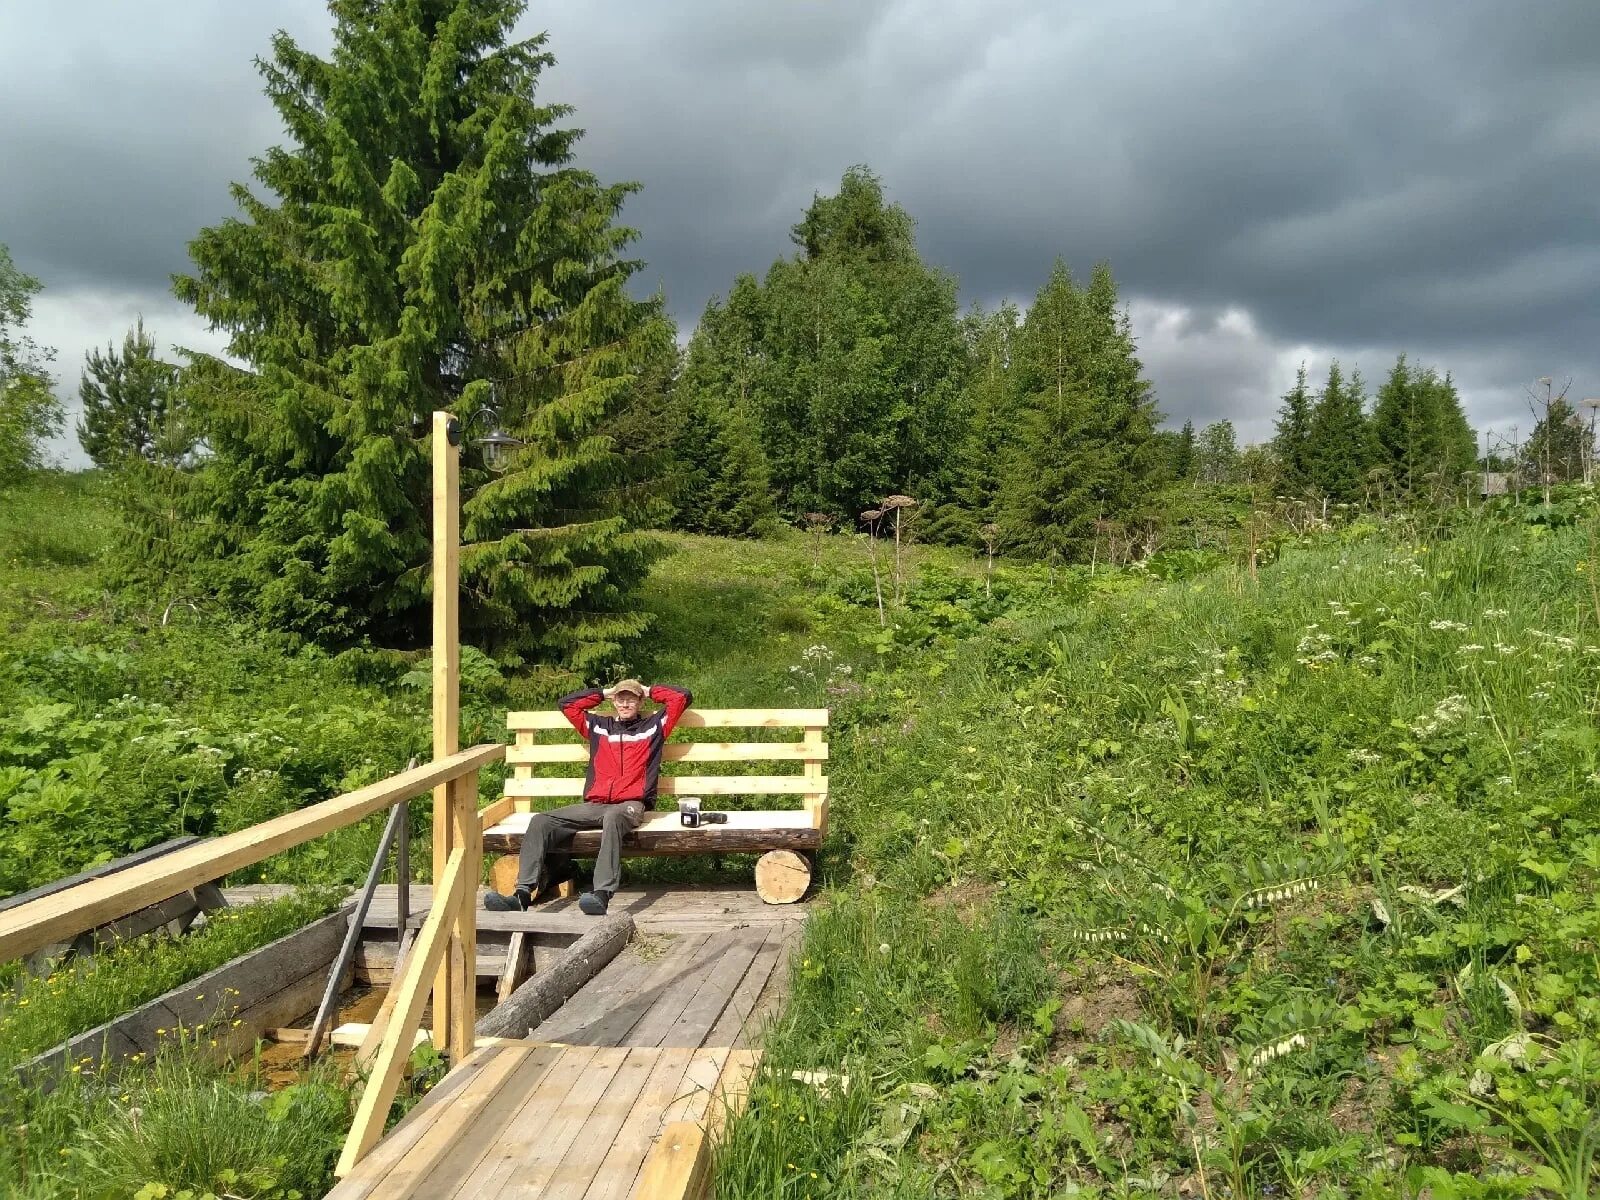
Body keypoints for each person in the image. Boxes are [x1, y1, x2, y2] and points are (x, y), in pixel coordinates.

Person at [484, 679, 693, 916]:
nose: (625, 703)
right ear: (614, 701)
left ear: (640, 701)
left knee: (613, 817)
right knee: (541, 821)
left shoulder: (654, 727)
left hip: (630, 805)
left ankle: (601, 894)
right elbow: (567, 704)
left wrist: (647, 690)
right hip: (595, 804)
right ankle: (521, 895)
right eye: (621, 698)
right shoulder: (598, 726)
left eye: (631, 698)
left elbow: (682, 696)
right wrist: (604, 693)